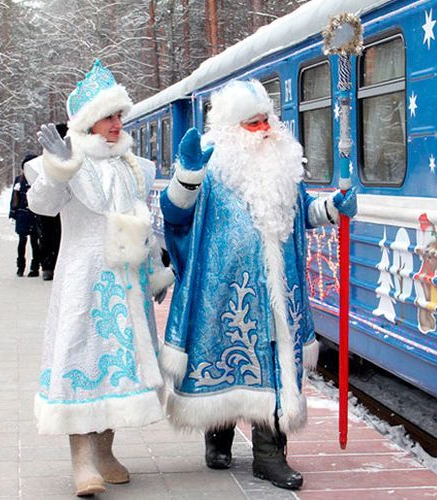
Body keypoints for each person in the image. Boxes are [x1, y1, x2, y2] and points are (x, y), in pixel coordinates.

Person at [158, 79, 358, 491]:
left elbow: (302, 212)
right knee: (225, 360)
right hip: (224, 291)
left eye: (267, 119)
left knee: (272, 361)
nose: (265, 128)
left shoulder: (282, 165)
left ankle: (270, 455)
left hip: (277, 290)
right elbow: (175, 217)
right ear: (232, 129)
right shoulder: (211, 167)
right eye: (253, 123)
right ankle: (218, 433)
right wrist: (186, 176)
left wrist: (332, 209)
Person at [24, 60, 174, 497]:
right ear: (89, 121)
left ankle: (105, 452)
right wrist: (57, 166)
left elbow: (140, 223)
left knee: (120, 369)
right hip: (83, 281)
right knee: (82, 359)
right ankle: (82, 461)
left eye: (119, 116)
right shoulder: (70, 162)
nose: (117, 124)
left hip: (126, 286)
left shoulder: (134, 167)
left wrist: (154, 274)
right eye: (109, 116)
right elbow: (44, 206)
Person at [36, 124, 66, 281]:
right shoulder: (45, 165)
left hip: (52, 216)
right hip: (52, 214)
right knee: (52, 238)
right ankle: (48, 266)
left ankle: (48, 266)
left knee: (49, 238)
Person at [9, 155, 41, 277]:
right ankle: (20, 266)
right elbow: (14, 197)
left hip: (35, 215)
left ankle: (35, 267)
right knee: (22, 241)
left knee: (35, 242)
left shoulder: (38, 179)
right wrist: (13, 213)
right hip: (22, 214)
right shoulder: (19, 180)